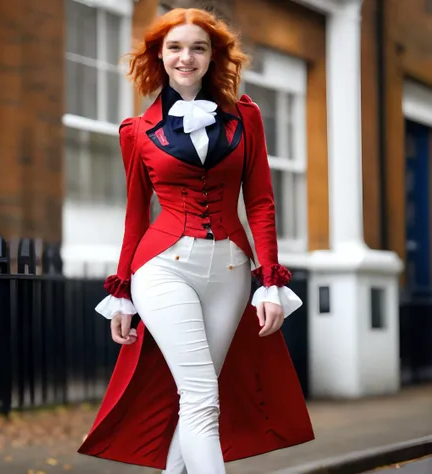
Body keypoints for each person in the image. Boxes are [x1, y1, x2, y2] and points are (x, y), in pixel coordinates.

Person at [78, 7, 314, 474]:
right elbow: (134, 214)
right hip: (163, 267)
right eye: (175, 47)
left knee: (200, 397)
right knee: (202, 398)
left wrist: (269, 281)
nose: (186, 57)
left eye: (198, 48)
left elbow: (262, 202)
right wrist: (123, 293)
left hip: (230, 272)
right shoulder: (138, 131)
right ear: (160, 56)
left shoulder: (246, 118)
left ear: (212, 57)